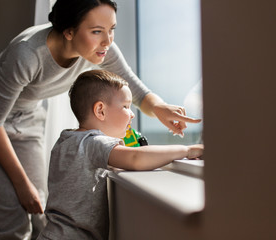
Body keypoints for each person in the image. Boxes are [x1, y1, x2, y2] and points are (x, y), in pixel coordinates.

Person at [0, 0, 201, 239]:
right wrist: (22, 186)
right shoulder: (27, 54)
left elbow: (136, 92)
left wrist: (161, 109)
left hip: (28, 117)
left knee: (41, 207)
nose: (107, 41)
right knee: (13, 218)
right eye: (97, 31)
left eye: (111, 29)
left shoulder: (100, 50)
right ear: (69, 31)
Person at [37, 69, 204, 240]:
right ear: (100, 110)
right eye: (125, 106)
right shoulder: (93, 142)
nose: (132, 113)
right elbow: (135, 158)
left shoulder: (65, 140)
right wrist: (187, 150)